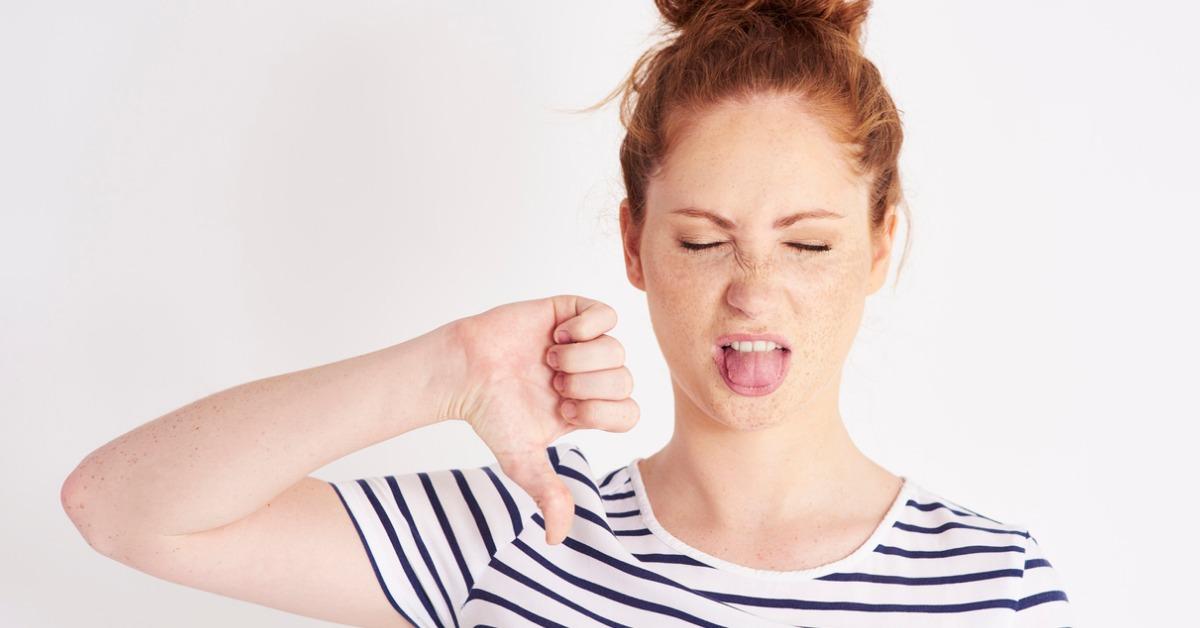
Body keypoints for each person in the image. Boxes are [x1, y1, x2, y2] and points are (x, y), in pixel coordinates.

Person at [61, 0, 1073, 626]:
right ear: (634, 243)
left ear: (879, 245)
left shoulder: (995, 586)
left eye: (807, 243)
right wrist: (446, 367)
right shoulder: (523, 525)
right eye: (703, 239)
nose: (754, 291)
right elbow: (120, 508)